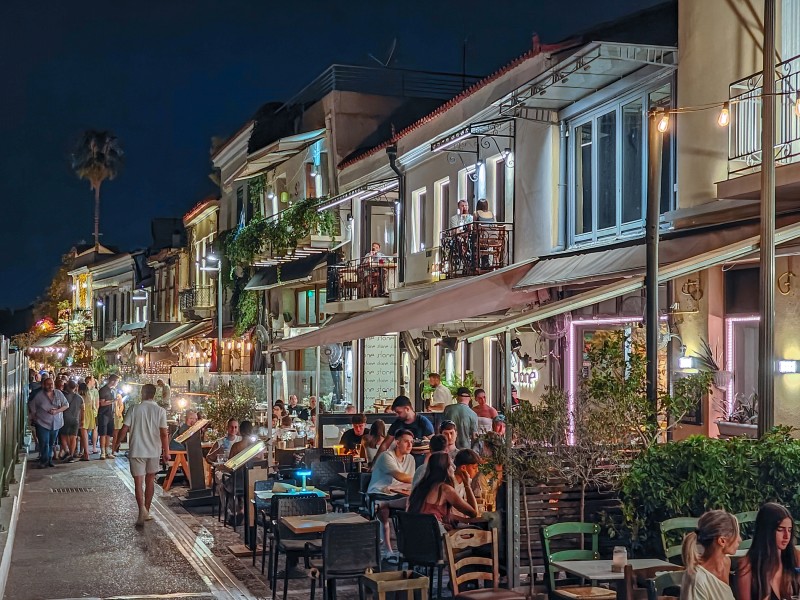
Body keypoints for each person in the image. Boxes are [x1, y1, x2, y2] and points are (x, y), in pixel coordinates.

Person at [117, 383, 170, 526]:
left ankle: (141, 510)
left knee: (138, 483)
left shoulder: (134, 409)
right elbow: (164, 434)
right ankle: (147, 509)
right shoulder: (160, 411)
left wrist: (117, 443)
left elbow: (124, 429)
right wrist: (166, 452)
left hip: (137, 450)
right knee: (150, 480)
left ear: (142, 393)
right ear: (154, 394)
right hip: (153, 451)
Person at [735, 503, 800, 600]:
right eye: (780, 529)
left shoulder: (795, 558)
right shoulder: (747, 567)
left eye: (789, 530)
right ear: (766, 531)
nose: (787, 536)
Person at [367, 429, 416, 556]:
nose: (410, 445)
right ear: (397, 442)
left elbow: (408, 480)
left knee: (414, 505)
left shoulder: (410, 459)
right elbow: (401, 476)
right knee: (384, 510)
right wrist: (421, 477)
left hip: (399, 492)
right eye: (406, 442)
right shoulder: (386, 456)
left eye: (411, 442)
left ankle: (407, 548)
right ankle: (387, 550)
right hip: (379, 491)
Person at [407, 452, 478, 531]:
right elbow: (473, 513)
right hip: (434, 537)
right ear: (446, 469)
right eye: (451, 465)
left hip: (414, 534)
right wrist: (467, 485)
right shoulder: (445, 489)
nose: (454, 468)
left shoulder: (420, 486)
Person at [681, 509, 740, 600]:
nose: (739, 539)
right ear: (722, 541)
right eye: (736, 534)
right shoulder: (697, 579)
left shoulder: (726, 562)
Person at [30, 377, 69, 468]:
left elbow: (66, 405)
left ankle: (49, 460)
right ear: (44, 385)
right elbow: (32, 407)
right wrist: (35, 417)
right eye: (48, 384)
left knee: (51, 443)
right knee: (44, 442)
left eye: (52, 384)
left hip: (56, 423)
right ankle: (44, 460)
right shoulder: (39, 396)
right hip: (42, 423)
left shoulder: (59, 393)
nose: (50, 386)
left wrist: (57, 411)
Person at [60, 380, 84, 462]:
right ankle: (71, 454)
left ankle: (66, 450)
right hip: (75, 420)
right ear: (75, 387)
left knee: (63, 435)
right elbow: (83, 409)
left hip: (65, 418)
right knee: (74, 437)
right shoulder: (79, 398)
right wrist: (82, 419)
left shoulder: (63, 396)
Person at [97, 374, 119, 459]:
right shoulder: (103, 390)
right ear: (113, 381)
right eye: (117, 381)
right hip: (103, 414)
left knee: (109, 433)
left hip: (111, 414)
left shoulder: (113, 390)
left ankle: (107, 451)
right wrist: (113, 401)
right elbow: (102, 403)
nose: (117, 383)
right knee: (103, 433)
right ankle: (102, 452)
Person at [78, 382, 96, 461]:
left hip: (84, 414)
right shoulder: (90, 395)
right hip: (90, 414)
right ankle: (83, 452)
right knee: (85, 435)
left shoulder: (80, 396)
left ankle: (86, 453)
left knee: (84, 435)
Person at [85, 375, 100, 453]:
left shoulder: (93, 391)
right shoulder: (88, 390)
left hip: (90, 412)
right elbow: (97, 403)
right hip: (90, 412)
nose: (94, 382)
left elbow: (97, 403)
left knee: (89, 430)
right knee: (90, 429)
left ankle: (89, 448)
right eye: (93, 380)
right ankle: (91, 448)